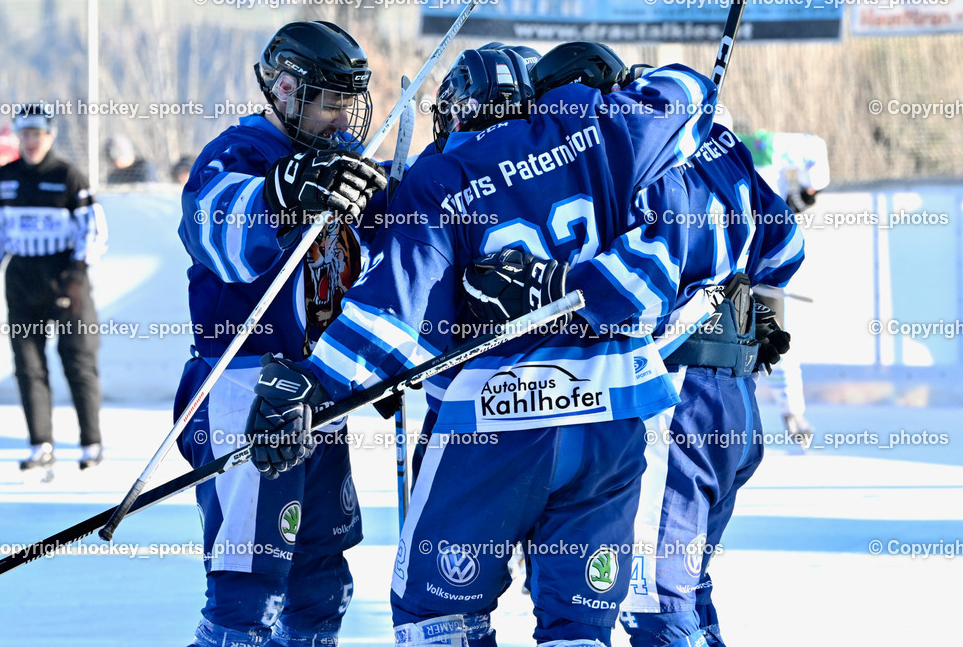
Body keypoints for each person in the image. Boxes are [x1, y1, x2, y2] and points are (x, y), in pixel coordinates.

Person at [246, 45, 719, 646]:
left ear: (453, 113)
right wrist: (619, 82)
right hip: (614, 422)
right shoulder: (597, 131)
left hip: (496, 423)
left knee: (435, 614)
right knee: (579, 623)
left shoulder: (441, 177)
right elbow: (693, 94)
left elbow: (392, 315)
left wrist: (316, 386)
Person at [467, 43, 805, 647]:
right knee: (689, 589)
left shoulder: (634, 166)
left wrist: (548, 284)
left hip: (673, 398)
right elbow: (785, 247)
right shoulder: (718, 145)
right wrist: (757, 311)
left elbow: (640, 287)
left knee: (657, 601)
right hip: (734, 401)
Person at [174, 21, 387, 647]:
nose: (343, 116)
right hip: (246, 390)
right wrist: (278, 197)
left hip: (317, 394)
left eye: (351, 100)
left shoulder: (340, 161)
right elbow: (215, 235)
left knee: (322, 578)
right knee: (251, 585)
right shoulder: (237, 153)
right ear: (287, 92)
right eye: (330, 101)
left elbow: (374, 264)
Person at [0, 103, 108, 471]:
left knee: (79, 362)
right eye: (26, 134)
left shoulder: (69, 176)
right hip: (23, 279)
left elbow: (94, 230)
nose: (32, 141)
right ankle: (41, 444)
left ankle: (91, 444)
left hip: (65, 276)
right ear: (18, 137)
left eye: (38, 134)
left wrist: (76, 276)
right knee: (28, 366)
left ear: (49, 136)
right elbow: (1, 229)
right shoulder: (5, 177)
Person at [740, 129, 829, 442]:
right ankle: (793, 412)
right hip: (765, 253)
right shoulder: (755, 143)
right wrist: (805, 193)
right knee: (772, 331)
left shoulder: (694, 142)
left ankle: (782, 410)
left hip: (731, 256)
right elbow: (814, 149)